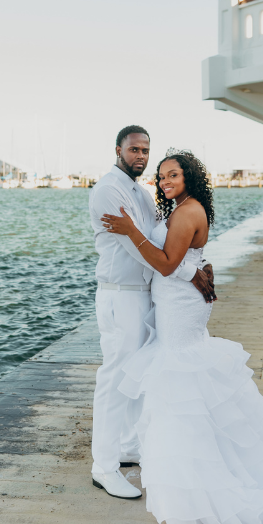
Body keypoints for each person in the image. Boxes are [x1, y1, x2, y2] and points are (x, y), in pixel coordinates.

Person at [101, 150, 263, 524]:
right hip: (175, 300)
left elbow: (167, 263)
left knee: (182, 376)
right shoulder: (181, 208)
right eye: (161, 177)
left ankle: (198, 469)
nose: (165, 182)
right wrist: (196, 269)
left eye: (173, 176)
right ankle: (192, 460)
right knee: (184, 376)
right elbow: (182, 259)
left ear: (190, 179)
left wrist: (131, 231)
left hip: (179, 307)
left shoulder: (187, 211)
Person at [89, 127, 216, 501]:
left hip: (146, 296)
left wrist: (200, 263)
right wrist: (192, 271)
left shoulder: (142, 193)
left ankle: (127, 446)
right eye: (134, 150)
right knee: (115, 378)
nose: (141, 157)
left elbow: (171, 240)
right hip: (121, 295)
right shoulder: (109, 190)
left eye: (145, 150)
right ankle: (104, 467)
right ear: (118, 150)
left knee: (137, 375)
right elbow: (139, 248)